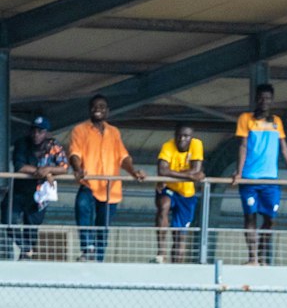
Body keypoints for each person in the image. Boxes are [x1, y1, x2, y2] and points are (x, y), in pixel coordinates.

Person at [231, 82, 287, 266]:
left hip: (270, 179)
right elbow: (242, 146)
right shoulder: (245, 118)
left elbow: (284, 150)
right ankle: (253, 259)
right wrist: (239, 172)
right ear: (255, 99)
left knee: (270, 219)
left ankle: (262, 256)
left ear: (272, 101)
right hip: (249, 178)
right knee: (250, 216)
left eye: (268, 98)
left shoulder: (276, 121)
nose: (264, 101)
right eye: (261, 98)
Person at [68, 94, 145, 262]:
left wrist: (133, 171)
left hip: (110, 189)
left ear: (107, 111)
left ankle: (99, 259)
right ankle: (88, 249)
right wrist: (77, 168)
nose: (98, 109)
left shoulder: (114, 132)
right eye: (95, 106)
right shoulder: (79, 130)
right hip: (89, 183)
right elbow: (75, 154)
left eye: (102, 107)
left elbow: (123, 157)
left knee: (103, 226)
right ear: (89, 110)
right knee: (82, 207)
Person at [8, 116, 68, 260]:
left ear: (47, 134)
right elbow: (20, 166)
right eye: (34, 130)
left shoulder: (54, 145)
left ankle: (26, 254)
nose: (36, 134)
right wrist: (41, 171)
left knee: (32, 224)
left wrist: (47, 170)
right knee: (8, 220)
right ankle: (26, 248)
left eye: (40, 131)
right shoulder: (22, 143)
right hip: (19, 191)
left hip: (39, 193)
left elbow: (64, 168)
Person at [154, 123, 204, 264]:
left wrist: (172, 174)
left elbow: (196, 169)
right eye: (179, 136)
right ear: (175, 136)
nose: (182, 139)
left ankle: (176, 267)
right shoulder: (167, 146)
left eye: (186, 136)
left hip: (187, 194)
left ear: (191, 137)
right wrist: (189, 176)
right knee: (164, 206)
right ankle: (161, 251)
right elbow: (162, 171)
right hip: (169, 188)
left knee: (180, 236)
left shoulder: (197, 145)